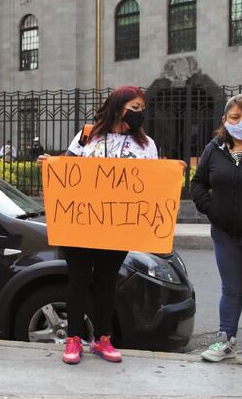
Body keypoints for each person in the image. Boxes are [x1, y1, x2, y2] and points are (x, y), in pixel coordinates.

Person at [38, 85, 158, 365]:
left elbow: (152, 183)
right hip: (81, 223)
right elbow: (66, 171)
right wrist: (50, 165)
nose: (140, 114)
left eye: (143, 109)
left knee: (106, 282)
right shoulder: (87, 136)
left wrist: (172, 173)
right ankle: (73, 339)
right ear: (119, 107)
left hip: (118, 225)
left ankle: (103, 340)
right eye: (135, 108)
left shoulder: (146, 145)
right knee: (78, 281)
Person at [191, 94, 242, 362]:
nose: (241, 123)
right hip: (224, 233)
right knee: (231, 288)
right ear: (225, 120)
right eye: (236, 118)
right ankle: (226, 340)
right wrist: (211, 210)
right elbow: (198, 183)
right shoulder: (215, 148)